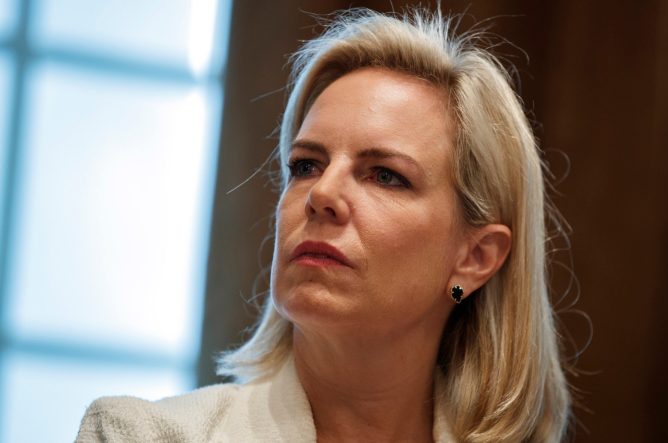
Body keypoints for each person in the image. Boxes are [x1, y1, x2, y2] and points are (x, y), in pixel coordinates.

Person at [77, 7, 571, 443]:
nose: (321, 195)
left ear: (475, 257)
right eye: (305, 165)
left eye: (385, 176)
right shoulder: (139, 436)